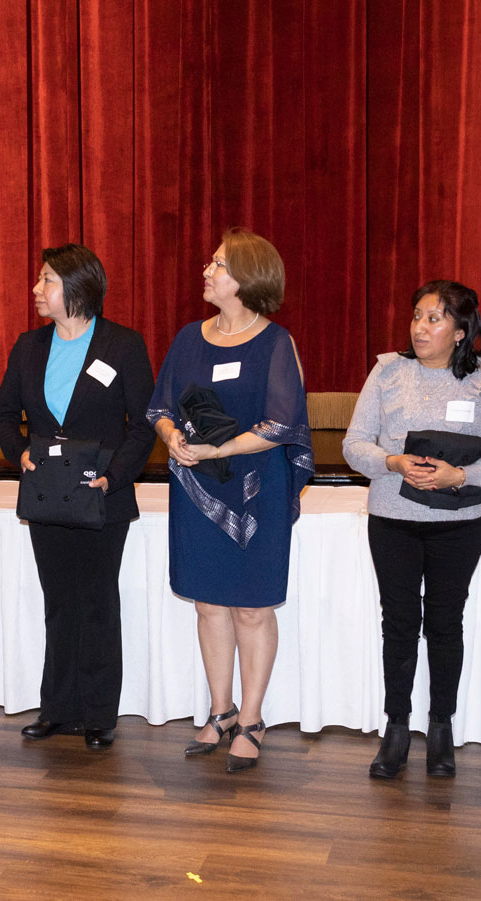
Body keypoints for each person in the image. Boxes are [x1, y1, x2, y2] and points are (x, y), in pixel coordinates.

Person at [149, 227, 313, 773]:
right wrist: (174, 438)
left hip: (255, 490)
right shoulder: (188, 338)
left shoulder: (275, 342)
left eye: (217, 264)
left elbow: (282, 422)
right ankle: (219, 712)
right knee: (208, 603)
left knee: (251, 607)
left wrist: (217, 444)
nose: (206, 271)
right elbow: (162, 406)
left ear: (246, 277)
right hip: (197, 487)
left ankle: (252, 718)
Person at [343, 280, 481, 780]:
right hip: (393, 519)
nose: (421, 327)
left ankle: (441, 729)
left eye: (435, 318)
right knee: (398, 624)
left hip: (458, 523)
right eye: (417, 316)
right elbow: (356, 444)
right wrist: (393, 461)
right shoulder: (388, 371)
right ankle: (395, 729)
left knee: (445, 625)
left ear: (462, 331)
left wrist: (462, 476)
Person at [0, 244, 156, 751]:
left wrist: (116, 475)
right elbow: (1, 415)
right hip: (47, 496)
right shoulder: (28, 345)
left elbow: (144, 423)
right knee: (59, 603)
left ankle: (100, 713)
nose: (36, 290)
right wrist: (19, 454)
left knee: (98, 603)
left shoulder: (122, 344)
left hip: (102, 495)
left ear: (77, 287)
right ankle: (58, 709)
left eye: (46, 281)